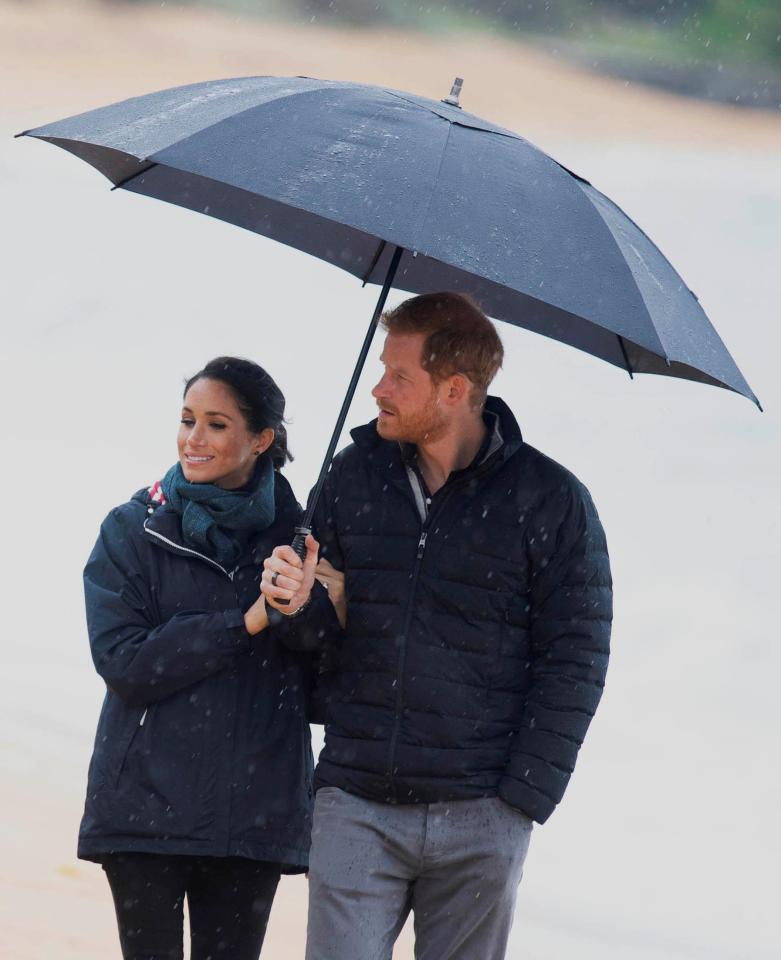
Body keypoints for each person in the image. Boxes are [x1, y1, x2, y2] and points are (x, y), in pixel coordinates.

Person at [262, 293, 613, 960]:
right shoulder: (351, 475)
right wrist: (295, 602)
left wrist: (520, 801)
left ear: (453, 389)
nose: (377, 389)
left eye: (399, 376)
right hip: (356, 800)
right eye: (380, 370)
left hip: (481, 812)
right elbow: (313, 641)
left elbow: (575, 659)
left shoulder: (552, 501)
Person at [78, 356, 332, 960]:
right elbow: (126, 664)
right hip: (144, 810)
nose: (194, 438)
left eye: (216, 424)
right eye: (188, 419)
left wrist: (301, 606)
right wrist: (241, 622)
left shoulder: (305, 539)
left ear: (261, 439)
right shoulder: (132, 528)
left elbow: (327, 678)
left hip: (252, 818)